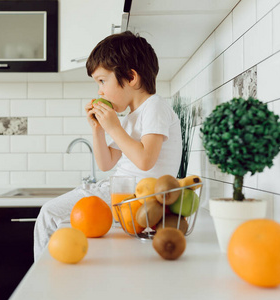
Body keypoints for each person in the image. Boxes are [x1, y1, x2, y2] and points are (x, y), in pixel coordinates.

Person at [33, 31, 182, 261]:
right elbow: (106, 163)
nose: (99, 91)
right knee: (54, 218)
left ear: (131, 78)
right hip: (118, 192)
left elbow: (145, 160)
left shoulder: (155, 107)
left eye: (102, 81)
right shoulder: (131, 118)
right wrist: (99, 130)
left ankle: (42, 288)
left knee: (50, 214)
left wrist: (114, 128)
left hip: (133, 197)